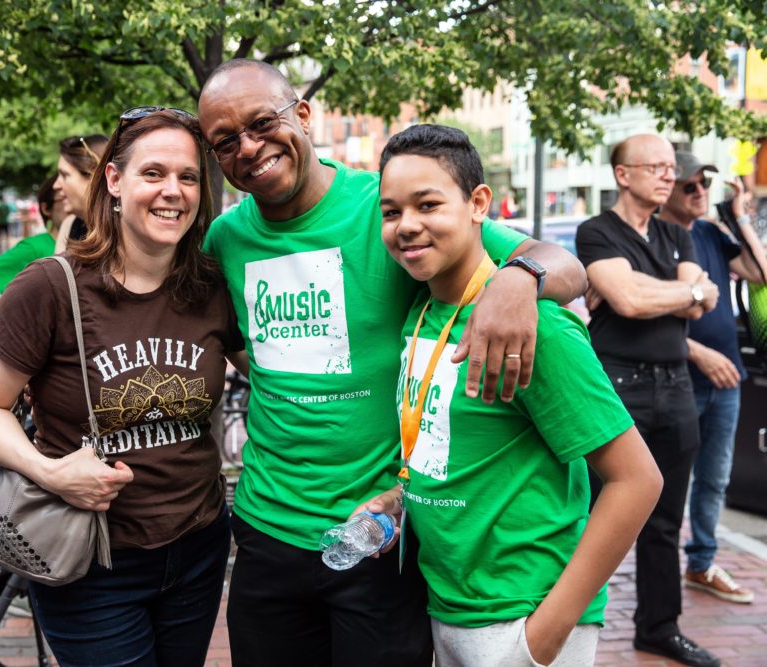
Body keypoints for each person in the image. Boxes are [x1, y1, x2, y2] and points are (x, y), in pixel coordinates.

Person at [198, 59, 588, 667]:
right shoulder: (225, 240)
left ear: (302, 115)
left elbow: (564, 267)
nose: (249, 147)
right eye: (226, 141)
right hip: (266, 530)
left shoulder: (386, 209)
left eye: (261, 122)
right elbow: (248, 351)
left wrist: (519, 278)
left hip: (381, 537)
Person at [0, 109, 245, 667]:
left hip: (199, 545)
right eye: (154, 173)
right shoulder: (50, 285)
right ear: (114, 180)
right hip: (88, 557)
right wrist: (49, 471)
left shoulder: (210, 285)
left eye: (188, 177)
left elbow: (273, 372)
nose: (173, 192)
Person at [375, 123, 662, 666]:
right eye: (391, 212)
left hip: (522, 616)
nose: (407, 226)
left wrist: (546, 634)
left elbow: (637, 479)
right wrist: (398, 498)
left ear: (479, 202)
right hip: (446, 606)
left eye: (428, 204)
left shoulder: (537, 328)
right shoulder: (423, 312)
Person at [575, 134, 721, 667]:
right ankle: (563, 620)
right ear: (622, 174)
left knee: (665, 521)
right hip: (619, 386)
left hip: (676, 385)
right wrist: (684, 293)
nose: (668, 175)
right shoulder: (596, 232)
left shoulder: (673, 232)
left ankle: (658, 629)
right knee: (592, 514)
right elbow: (629, 300)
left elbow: (704, 301)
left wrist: (684, 294)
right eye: (656, 166)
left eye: (670, 167)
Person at [660, 151, 767, 605]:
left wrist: (739, 216)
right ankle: (648, 574)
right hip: (674, 378)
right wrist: (698, 354)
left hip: (726, 381)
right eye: (690, 185)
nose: (700, 191)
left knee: (715, 479)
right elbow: (641, 319)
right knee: (660, 482)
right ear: (667, 188)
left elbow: (761, 273)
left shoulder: (708, 232)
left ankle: (701, 563)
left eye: (705, 183)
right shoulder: (654, 238)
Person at [0, 173, 77, 336]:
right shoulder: (34, 247)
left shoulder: (97, 244)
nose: (74, 205)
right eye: (65, 199)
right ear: (46, 208)